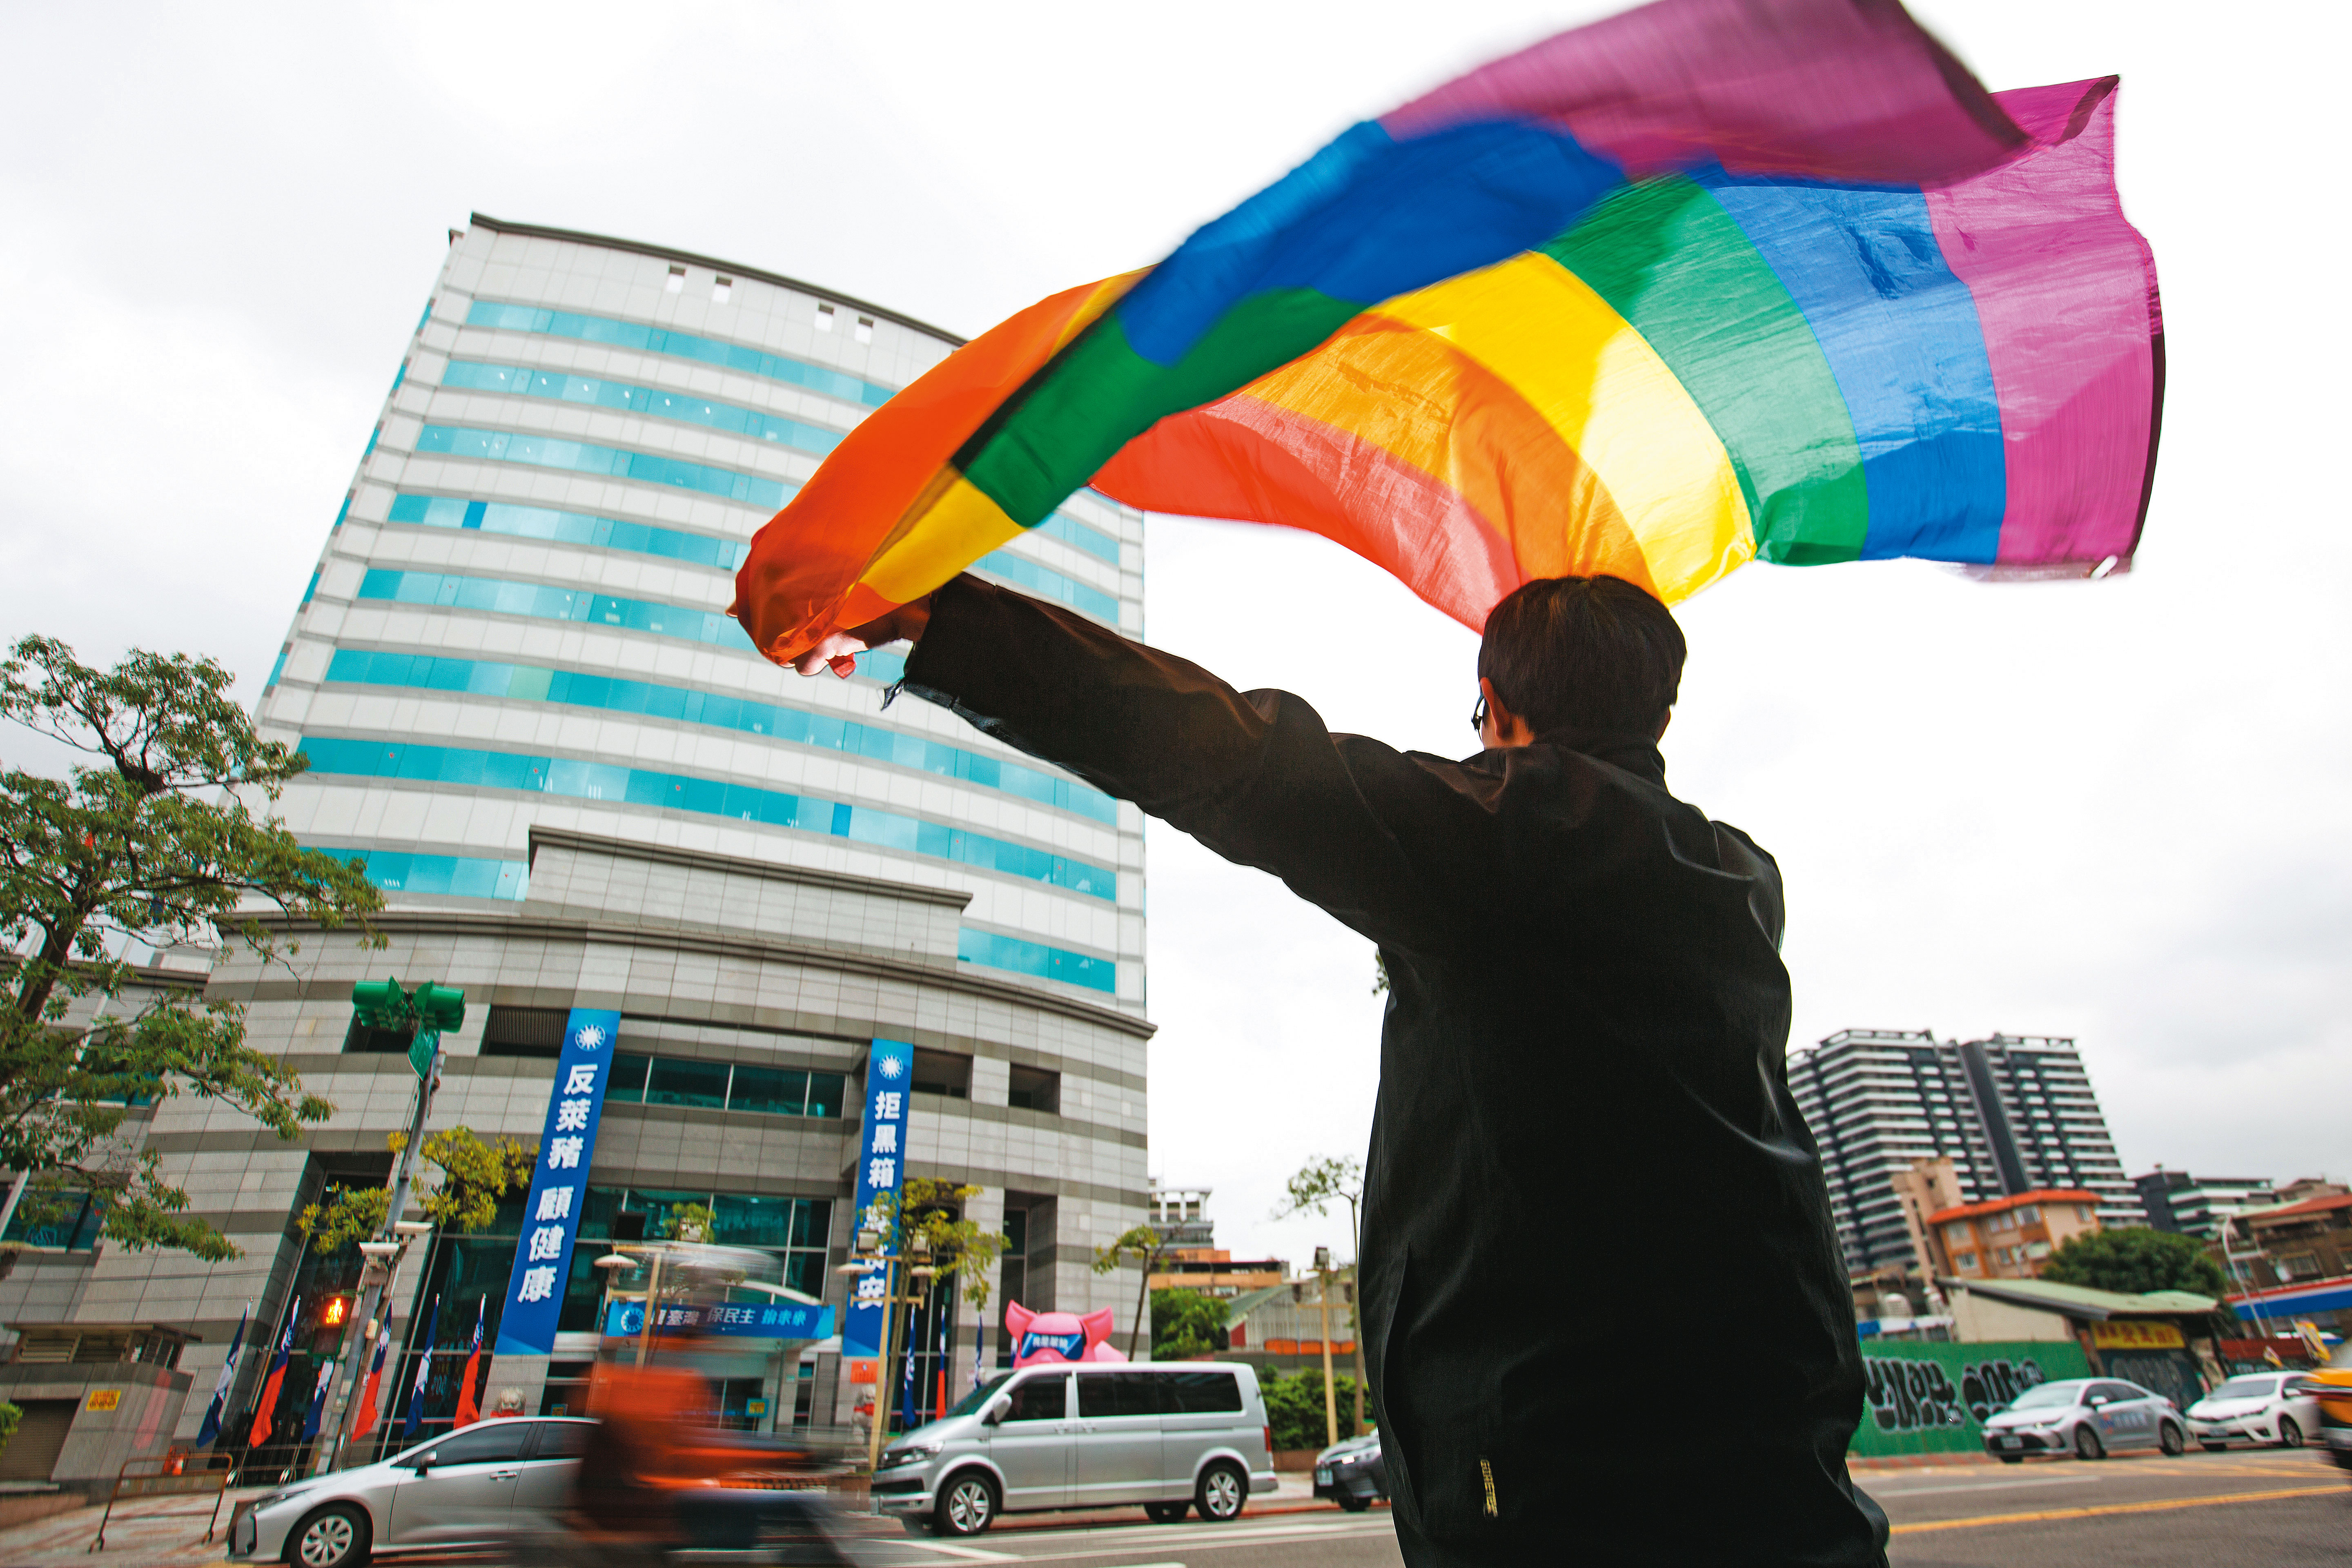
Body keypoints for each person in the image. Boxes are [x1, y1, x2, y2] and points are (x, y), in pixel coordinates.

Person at [794, 572, 1885, 1566]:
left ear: (1499, 709)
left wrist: (939, 619)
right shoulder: (1741, 881)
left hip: (1569, 1489)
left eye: (1479, 720)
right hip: (1788, 1470)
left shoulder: (1515, 837)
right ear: (1660, 714)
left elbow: (1242, 761)